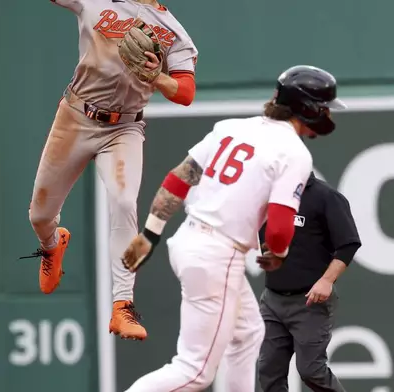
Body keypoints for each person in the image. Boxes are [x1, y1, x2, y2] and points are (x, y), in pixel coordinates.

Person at [120, 65, 346, 392]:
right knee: (195, 371)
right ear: (309, 109)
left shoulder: (231, 128)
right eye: (323, 108)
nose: (327, 115)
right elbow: (281, 229)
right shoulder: (294, 152)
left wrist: (151, 233)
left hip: (189, 239)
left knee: (248, 333)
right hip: (218, 254)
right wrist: (278, 254)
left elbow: (180, 177)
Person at [21, 0, 198, 341]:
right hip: (75, 116)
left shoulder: (175, 32)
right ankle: (52, 244)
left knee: (123, 201)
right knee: (40, 215)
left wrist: (157, 76)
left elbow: (186, 92)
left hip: (124, 129)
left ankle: (122, 306)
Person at [257, 171, 361, 392]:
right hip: (272, 299)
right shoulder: (269, 195)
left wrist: (326, 280)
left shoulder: (326, 197)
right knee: (268, 370)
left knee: (311, 370)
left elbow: (349, 244)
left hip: (309, 302)